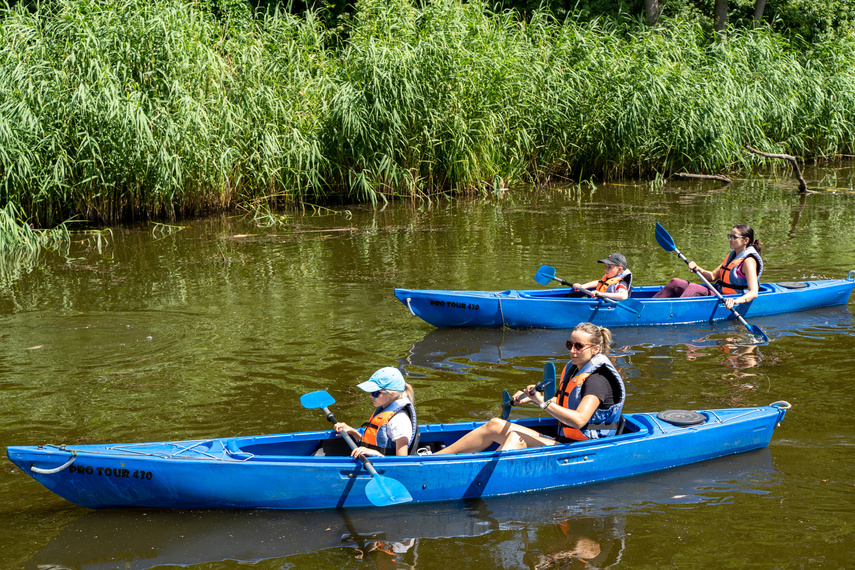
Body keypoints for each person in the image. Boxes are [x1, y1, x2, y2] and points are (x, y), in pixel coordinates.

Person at [435, 323, 625, 455]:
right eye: (569, 344)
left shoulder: (597, 380)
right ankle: (436, 458)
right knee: (494, 424)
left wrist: (541, 403)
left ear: (596, 349)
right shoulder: (576, 369)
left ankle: (482, 478)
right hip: (564, 439)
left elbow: (578, 420)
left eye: (579, 346)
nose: (572, 351)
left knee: (516, 438)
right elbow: (569, 403)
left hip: (582, 448)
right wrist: (533, 398)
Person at [653, 224, 763, 310]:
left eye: (734, 237)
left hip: (732, 299)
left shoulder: (749, 261)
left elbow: (754, 292)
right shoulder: (732, 256)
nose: (730, 239)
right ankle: (651, 306)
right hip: (720, 294)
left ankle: (674, 313)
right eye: (730, 236)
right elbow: (712, 276)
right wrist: (698, 268)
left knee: (694, 289)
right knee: (675, 282)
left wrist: (735, 301)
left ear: (746, 240)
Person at [334, 367, 417, 459]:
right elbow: (370, 445)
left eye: (375, 393)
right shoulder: (383, 409)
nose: (370, 396)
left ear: (391, 394)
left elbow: (402, 461)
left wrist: (377, 454)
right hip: (370, 461)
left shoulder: (399, 420)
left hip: (384, 467)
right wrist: (353, 433)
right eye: (370, 392)